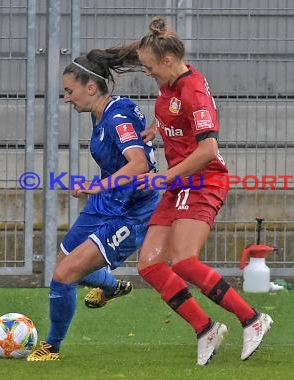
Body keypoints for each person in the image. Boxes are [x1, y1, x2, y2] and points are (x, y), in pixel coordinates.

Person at [116, 17, 274, 366]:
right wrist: (158, 129)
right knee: (150, 264)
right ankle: (206, 329)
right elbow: (177, 115)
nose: (149, 73)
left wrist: (163, 177)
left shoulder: (193, 89)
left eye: (150, 68)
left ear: (168, 61)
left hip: (203, 180)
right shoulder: (172, 84)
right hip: (178, 183)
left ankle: (253, 319)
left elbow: (207, 149)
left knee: (184, 260)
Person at [27, 48, 159, 361]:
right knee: (62, 264)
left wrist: (97, 185)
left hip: (130, 213)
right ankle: (111, 288)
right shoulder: (102, 114)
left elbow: (139, 164)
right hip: (107, 203)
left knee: (63, 276)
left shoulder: (116, 118)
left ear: (90, 88)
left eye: (69, 91)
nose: (66, 98)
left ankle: (51, 348)